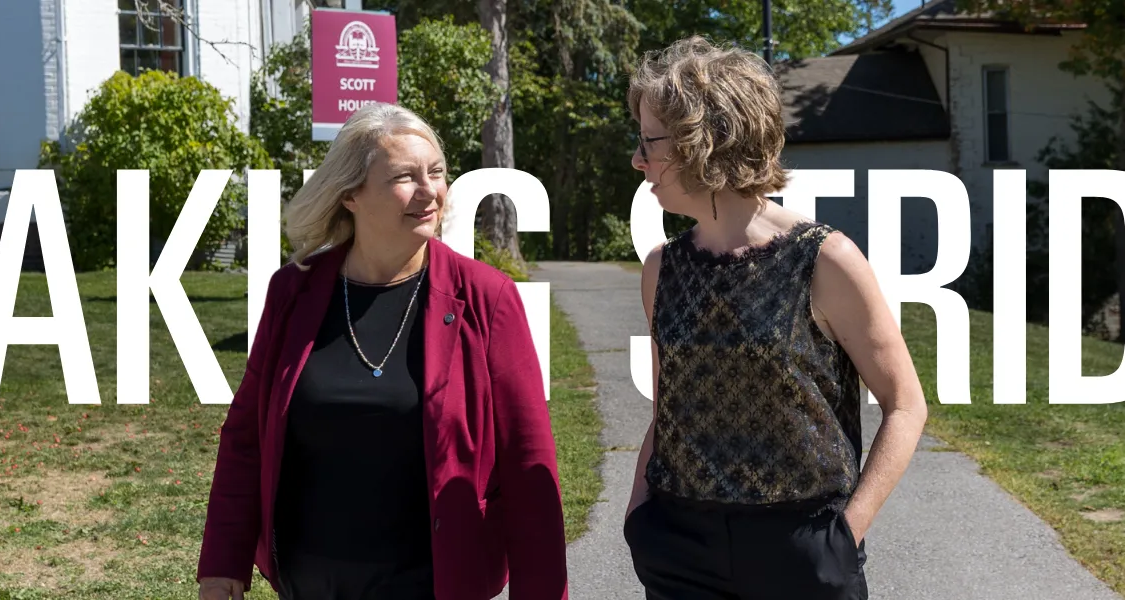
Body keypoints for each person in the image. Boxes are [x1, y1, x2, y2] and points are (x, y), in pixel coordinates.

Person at [197, 104, 567, 600]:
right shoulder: (294, 292)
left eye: (435, 173)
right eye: (404, 177)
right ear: (350, 194)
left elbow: (528, 464)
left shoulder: (487, 297)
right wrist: (224, 563)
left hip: (435, 583)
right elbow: (246, 438)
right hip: (309, 583)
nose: (429, 190)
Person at [621, 36, 930, 600]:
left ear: (703, 141)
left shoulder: (824, 259)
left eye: (650, 142)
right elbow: (669, 407)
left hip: (802, 549)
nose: (638, 158)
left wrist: (843, 537)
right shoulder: (662, 268)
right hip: (679, 544)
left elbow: (906, 405)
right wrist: (639, 514)